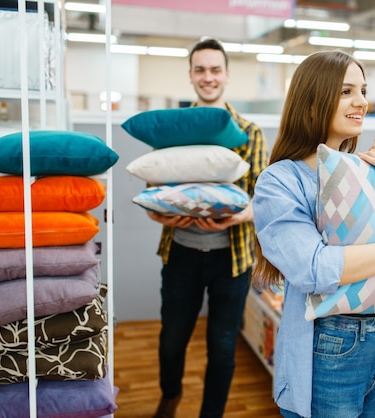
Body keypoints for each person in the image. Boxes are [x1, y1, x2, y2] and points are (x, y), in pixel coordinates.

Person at [252, 50, 375, 418]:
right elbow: (314, 269)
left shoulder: (373, 174)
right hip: (330, 343)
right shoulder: (280, 182)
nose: (362, 102)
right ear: (311, 104)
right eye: (346, 92)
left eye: (363, 90)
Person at [146, 37, 268, 418]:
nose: (208, 77)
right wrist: (160, 215)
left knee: (223, 345)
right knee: (171, 340)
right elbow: (155, 187)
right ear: (190, 75)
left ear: (227, 75)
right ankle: (171, 396)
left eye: (215, 69)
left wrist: (238, 215)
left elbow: (262, 198)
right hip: (180, 251)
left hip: (231, 261)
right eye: (200, 69)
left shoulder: (249, 132)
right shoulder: (174, 128)